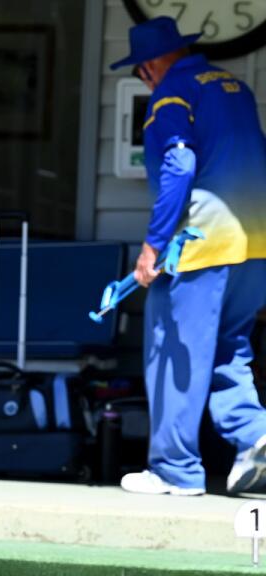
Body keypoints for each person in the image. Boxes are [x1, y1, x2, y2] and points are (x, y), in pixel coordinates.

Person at [110, 17, 266, 496]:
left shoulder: (171, 95)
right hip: (256, 243)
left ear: (151, 65)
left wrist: (153, 246)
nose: (143, 79)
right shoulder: (235, 88)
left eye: (140, 71)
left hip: (203, 242)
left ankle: (174, 470)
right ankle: (255, 437)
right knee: (228, 347)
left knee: (173, 348)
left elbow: (179, 164)